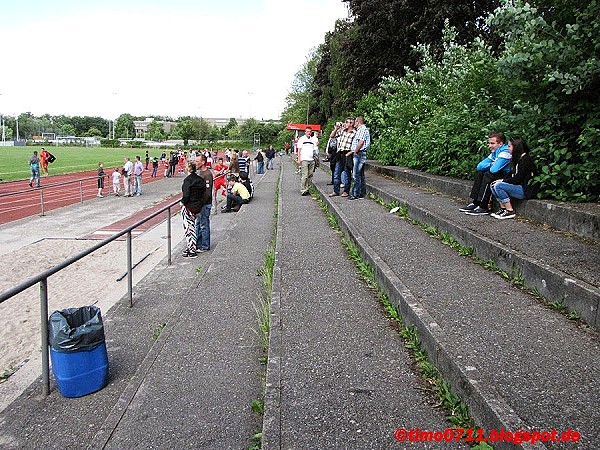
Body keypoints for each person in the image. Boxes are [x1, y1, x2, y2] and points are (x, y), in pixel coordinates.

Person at [460, 132, 511, 215]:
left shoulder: (505, 152)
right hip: (498, 172)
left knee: (489, 174)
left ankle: (484, 206)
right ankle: (476, 203)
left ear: (500, 143)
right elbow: (479, 166)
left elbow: (494, 170)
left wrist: (492, 165)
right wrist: (491, 163)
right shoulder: (495, 152)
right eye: (489, 143)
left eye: (492, 143)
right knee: (480, 172)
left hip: (507, 176)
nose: (489, 146)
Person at [490, 136, 538, 219]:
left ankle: (509, 210)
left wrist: (503, 181)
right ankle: (503, 208)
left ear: (516, 147)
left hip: (526, 190)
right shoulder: (517, 159)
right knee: (493, 184)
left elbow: (517, 179)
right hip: (519, 186)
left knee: (498, 185)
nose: (508, 148)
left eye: (509, 146)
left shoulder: (525, 160)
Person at [180, 162, 206, 258]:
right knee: (192, 226)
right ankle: (191, 246)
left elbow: (186, 195)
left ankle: (192, 249)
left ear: (188, 169)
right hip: (198, 206)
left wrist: (182, 202)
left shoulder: (188, 180)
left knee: (189, 228)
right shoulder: (200, 180)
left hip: (188, 206)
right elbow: (204, 193)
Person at [329, 119, 355, 197]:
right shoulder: (342, 131)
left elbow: (355, 145)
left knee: (347, 173)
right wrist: (336, 129)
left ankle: (346, 191)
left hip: (347, 153)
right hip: (339, 153)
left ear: (351, 124)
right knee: (336, 173)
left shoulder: (354, 133)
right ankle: (335, 191)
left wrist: (350, 153)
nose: (345, 124)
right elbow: (332, 136)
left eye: (346, 122)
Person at [347, 116, 370, 200]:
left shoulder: (362, 129)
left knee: (356, 174)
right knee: (360, 174)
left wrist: (355, 151)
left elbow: (361, 142)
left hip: (359, 153)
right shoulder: (361, 130)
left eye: (355, 122)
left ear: (358, 122)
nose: (354, 124)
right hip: (360, 153)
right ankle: (361, 193)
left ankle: (355, 194)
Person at [195, 154, 213, 253]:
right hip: (200, 204)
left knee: (203, 224)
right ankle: (198, 244)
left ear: (203, 162)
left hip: (204, 205)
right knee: (198, 224)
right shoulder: (199, 173)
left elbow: (207, 192)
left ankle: (205, 245)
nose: (195, 163)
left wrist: (201, 203)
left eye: (197, 161)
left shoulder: (207, 175)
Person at [296, 126, 319, 196]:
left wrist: (316, 159)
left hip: (311, 159)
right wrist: (299, 158)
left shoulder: (312, 140)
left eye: (310, 132)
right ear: (305, 132)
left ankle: (307, 188)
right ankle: (303, 189)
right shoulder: (302, 139)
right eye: (308, 131)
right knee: (305, 175)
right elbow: (299, 150)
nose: (309, 133)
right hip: (304, 159)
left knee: (310, 175)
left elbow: (315, 150)